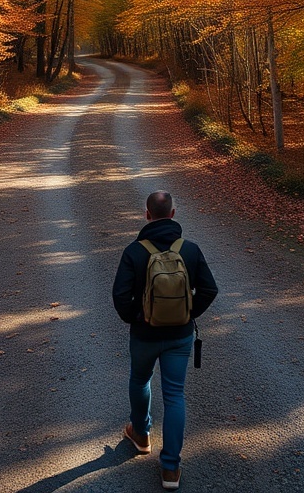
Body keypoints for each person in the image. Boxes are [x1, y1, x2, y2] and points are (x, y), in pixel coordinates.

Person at [112, 191, 218, 490]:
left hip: (144, 335)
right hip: (179, 336)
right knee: (174, 395)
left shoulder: (134, 251)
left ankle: (141, 435)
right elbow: (210, 290)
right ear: (173, 214)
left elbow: (120, 297)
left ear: (147, 215)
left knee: (140, 380)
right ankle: (170, 468)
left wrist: (137, 316)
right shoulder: (191, 250)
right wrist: (187, 313)